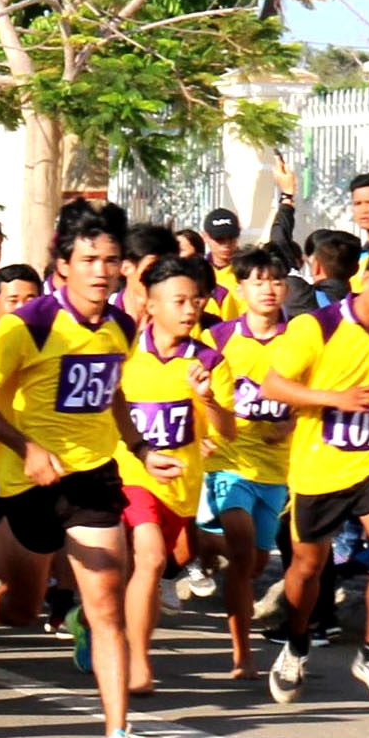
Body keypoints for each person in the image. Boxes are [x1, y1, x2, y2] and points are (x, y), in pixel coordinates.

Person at [0, 207, 151, 738]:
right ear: (63, 266)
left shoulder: (122, 326)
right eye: (89, 260)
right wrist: (25, 448)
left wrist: (140, 448)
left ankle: (117, 736)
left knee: (105, 608)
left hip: (91, 477)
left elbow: (112, 391)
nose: (101, 271)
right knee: (21, 608)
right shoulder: (29, 326)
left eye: (111, 261)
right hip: (27, 482)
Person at [262, 235, 369, 705]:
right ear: (367, 280)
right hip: (320, 466)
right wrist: (335, 399)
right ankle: (295, 645)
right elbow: (274, 386)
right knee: (306, 566)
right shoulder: (319, 328)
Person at [111, 257, 223, 709]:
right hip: (131, 475)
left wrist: (208, 400)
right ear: (150, 305)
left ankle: (101, 625)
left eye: (195, 300)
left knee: (152, 569)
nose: (190, 309)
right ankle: (138, 661)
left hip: (182, 485)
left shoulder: (209, 359)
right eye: (178, 301)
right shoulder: (124, 355)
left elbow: (226, 431)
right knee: (152, 557)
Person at [203, 247, 302, 679]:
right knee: (243, 555)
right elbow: (191, 390)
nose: (268, 289)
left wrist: (292, 422)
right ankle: (242, 655)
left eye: (276, 281)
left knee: (256, 564)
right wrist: (199, 435)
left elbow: (318, 390)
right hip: (228, 459)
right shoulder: (219, 338)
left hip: (275, 469)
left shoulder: (300, 336)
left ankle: (198, 549)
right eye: (258, 282)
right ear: (239, 289)